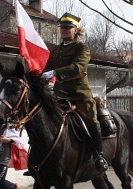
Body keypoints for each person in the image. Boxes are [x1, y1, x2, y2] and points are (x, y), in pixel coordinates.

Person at [42, 13, 108, 172]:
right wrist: (38, 77)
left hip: (79, 94)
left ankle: (99, 156)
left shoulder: (82, 48)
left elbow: (78, 67)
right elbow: (47, 70)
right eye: (62, 28)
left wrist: (55, 73)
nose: (64, 30)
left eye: (68, 28)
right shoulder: (56, 50)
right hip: (59, 95)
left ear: (75, 30)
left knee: (91, 121)